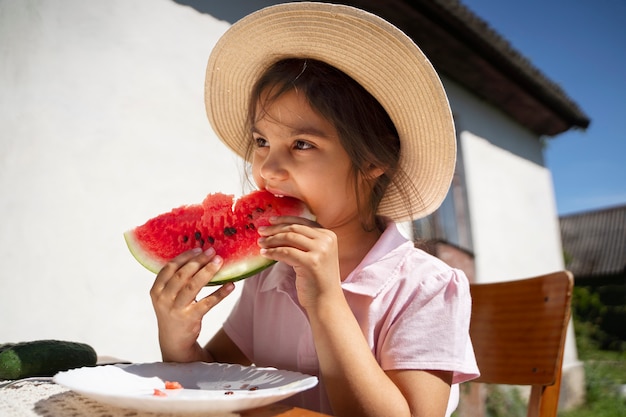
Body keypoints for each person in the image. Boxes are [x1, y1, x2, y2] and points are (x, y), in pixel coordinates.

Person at [150, 3, 479, 416]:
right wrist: (179, 339)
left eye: (302, 144)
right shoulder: (268, 274)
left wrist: (326, 300)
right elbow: (216, 382)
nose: (267, 169)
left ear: (374, 160)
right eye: (261, 141)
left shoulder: (427, 286)